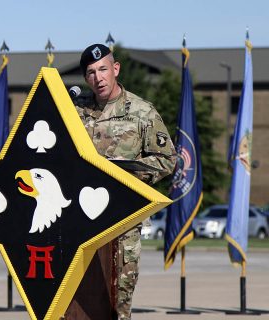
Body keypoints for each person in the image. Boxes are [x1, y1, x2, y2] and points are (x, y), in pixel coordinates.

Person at [66, 44, 176, 320]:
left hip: (122, 221)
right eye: (90, 73)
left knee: (118, 300)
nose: (97, 78)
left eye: (103, 69)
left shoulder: (141, 112)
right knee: (73, 298)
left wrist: (124, 176)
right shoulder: (73, 112)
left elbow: (167, 160)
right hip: (79, 221)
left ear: (115, 69)